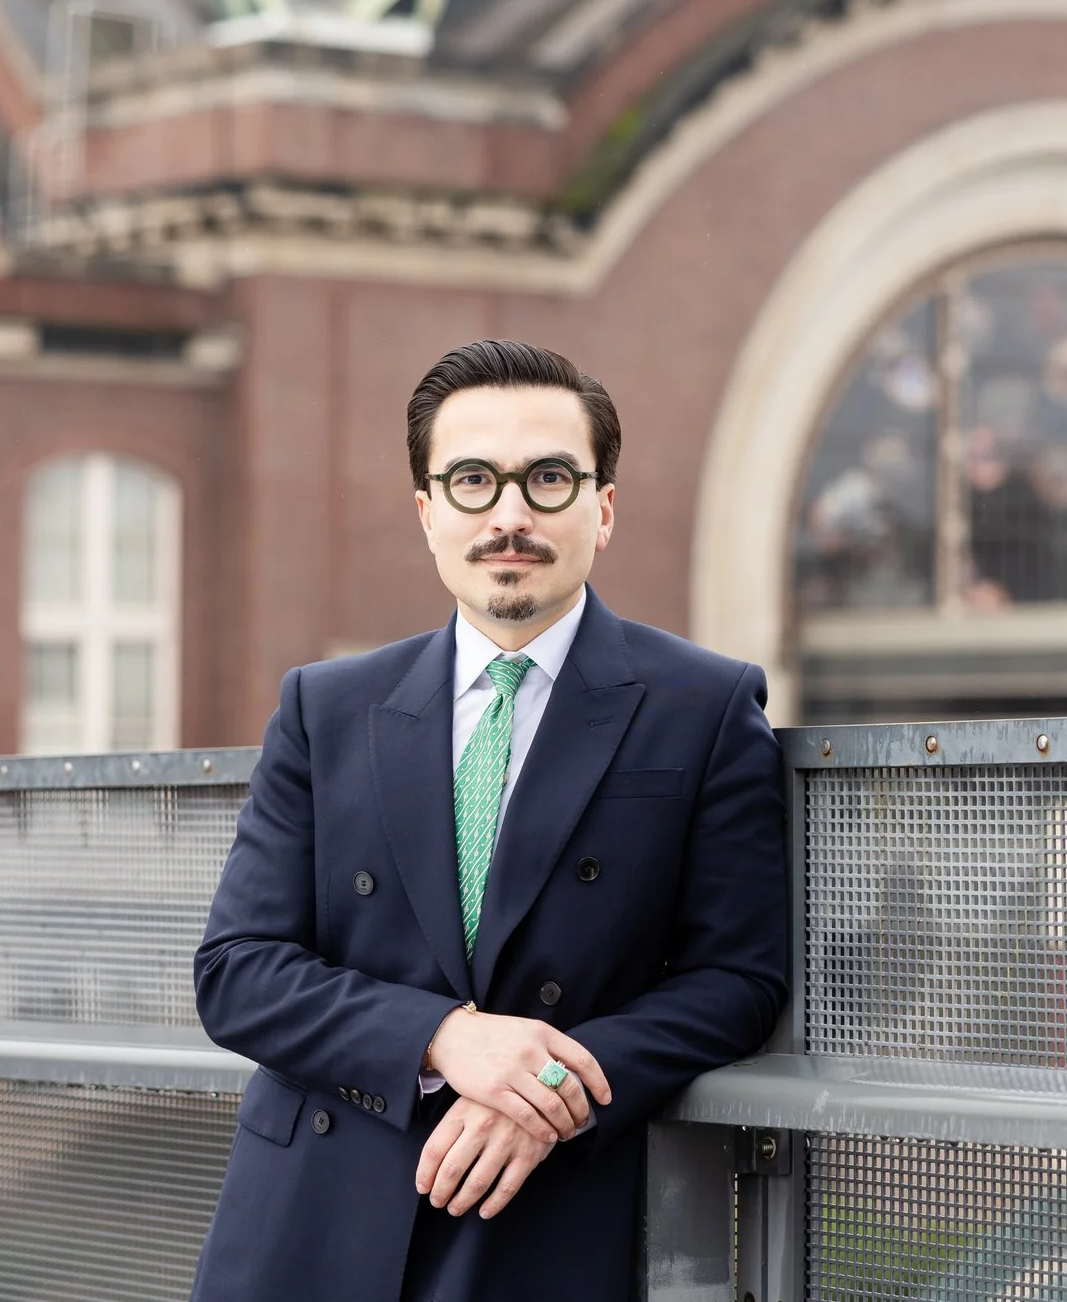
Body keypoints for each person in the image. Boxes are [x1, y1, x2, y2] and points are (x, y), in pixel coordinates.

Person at [188, 339, 790, 1302]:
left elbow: (739, 978)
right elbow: (238, 969)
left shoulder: (705, 704)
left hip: (545, 1215)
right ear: (428, 511)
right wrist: (445, 1037)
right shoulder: (326, 706)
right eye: (473, 480)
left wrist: (552, 1089)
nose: (510, 515)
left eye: (549, 478)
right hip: (311, 1218)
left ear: (603, 505)